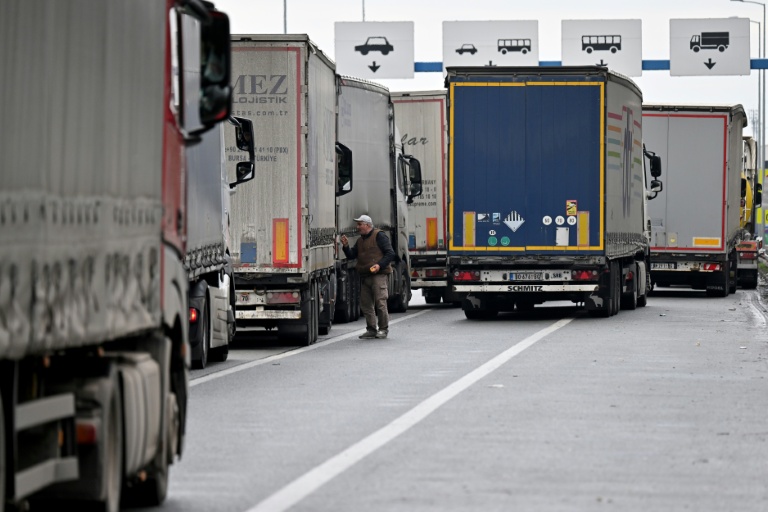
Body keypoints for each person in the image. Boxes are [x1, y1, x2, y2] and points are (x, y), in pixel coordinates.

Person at [340, 215, 396, 339]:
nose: (357, 227)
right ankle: (371, 329)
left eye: (360, 224)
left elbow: (390, 253)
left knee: (380, 302)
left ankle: (383, 329)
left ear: (367, 225)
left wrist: (379, 265)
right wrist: (346, 246)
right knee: (365, 304)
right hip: (366, 276)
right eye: (358, 224)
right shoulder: (360, 240)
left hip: (379, 275)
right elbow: (351, 256)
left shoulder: (379, 236)